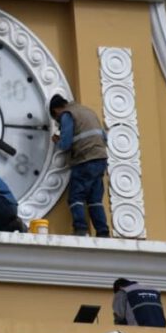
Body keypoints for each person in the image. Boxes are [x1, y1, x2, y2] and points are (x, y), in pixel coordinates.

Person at [49, 94, 110, 237]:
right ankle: (103, 232)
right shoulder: (87, 111)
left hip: (84, 159)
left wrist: (57, 140)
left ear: (56, 109)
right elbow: (104, 137)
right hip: (100, 158)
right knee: (95, 199)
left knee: (76, 197)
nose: (58, 120)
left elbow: (65, 144)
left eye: (55, 116)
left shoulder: (67, 114)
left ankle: (80, 229)